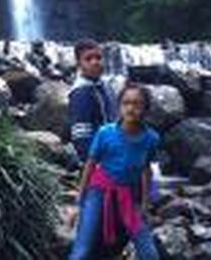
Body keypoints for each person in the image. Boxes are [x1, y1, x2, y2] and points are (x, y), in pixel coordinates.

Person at [69, 83, 161, 260]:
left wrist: (144, 204)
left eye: (137, 104)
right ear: (119, 107)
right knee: (82, 248)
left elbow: (147, 170)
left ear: (145, 109)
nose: (131, 108)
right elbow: (90, 165)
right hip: (98, 191)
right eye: (126, 103)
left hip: (127, 195)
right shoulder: (106, 133)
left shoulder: (151, 138)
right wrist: (79, 202)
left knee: (149, 253)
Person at [67, 39, 118, 164]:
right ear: (79, 64)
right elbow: (81, 135)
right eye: (88, 59)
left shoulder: (107, 87)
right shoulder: (80, 93)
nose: (95, 62)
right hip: (98, 161)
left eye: (98, 58)